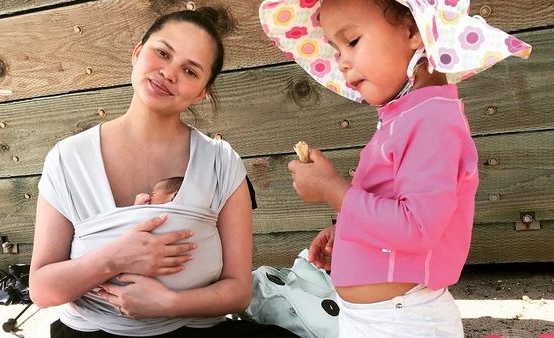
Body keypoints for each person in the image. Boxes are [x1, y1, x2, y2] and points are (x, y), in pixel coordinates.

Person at [260, 0, 531, 336]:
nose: (341, 62)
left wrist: (333, 190)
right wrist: (347, 235)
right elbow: (396, 208)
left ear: (414, 29)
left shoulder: (431, 119)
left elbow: (416, 228)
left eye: (353, 41)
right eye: (335, 48)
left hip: (403, 323)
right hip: (373, 319)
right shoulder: (407, 116)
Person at [31, 6, 298, 338]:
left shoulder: (220, 162)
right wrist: (115, 257)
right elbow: (43, 291)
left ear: (201, 92)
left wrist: (167, 302)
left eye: (189, 71)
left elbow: (238, 291)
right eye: (162, 53)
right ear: (137, 52)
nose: (169, 73)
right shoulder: (68, 158)